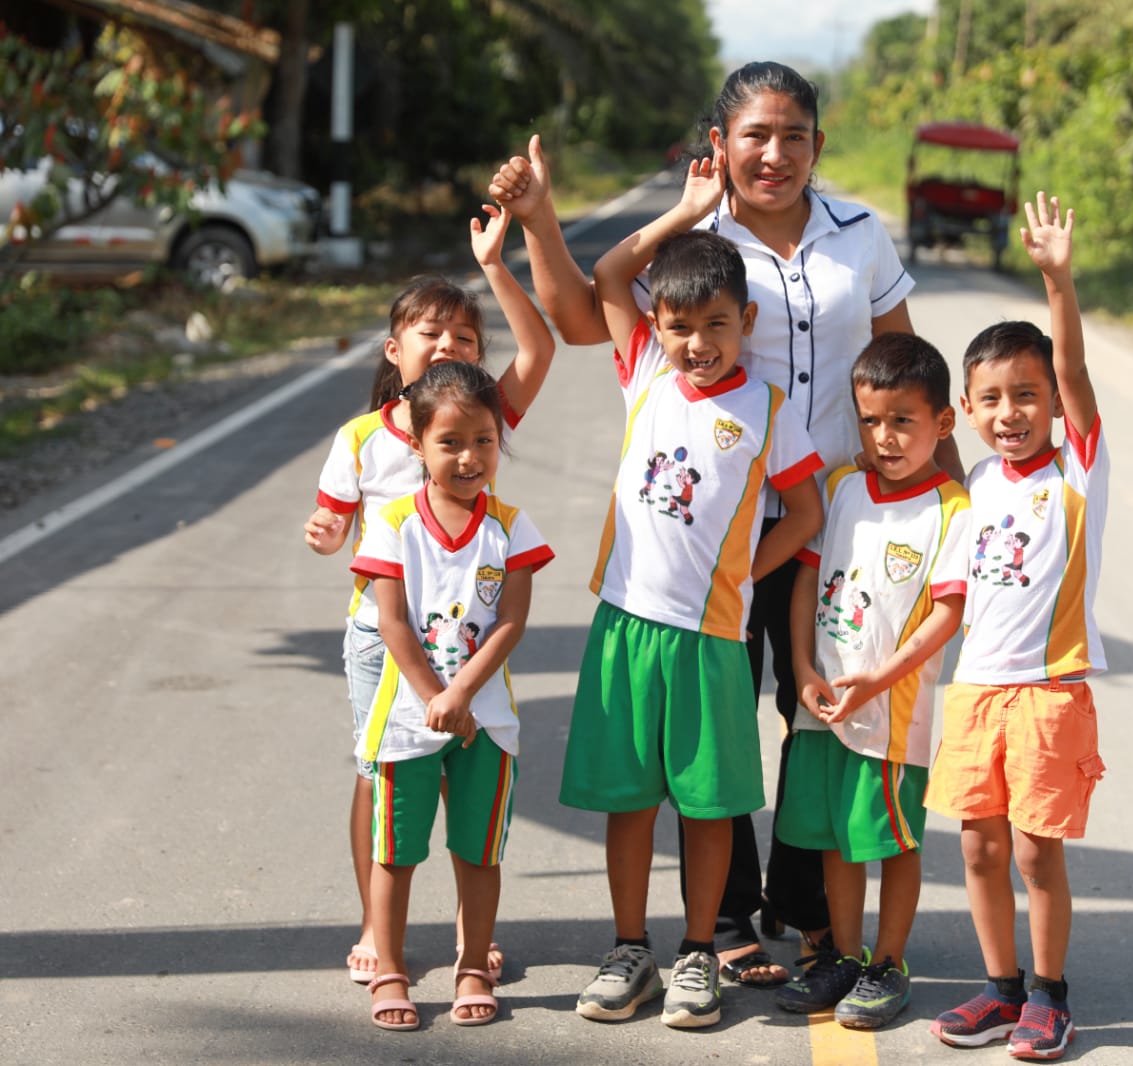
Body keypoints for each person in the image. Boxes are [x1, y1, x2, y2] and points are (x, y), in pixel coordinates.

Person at [490, 60, 956, 986]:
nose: (774, 154)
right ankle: (730, 918)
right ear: (721, 146)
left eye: (793, 136)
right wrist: (542, 220)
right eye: (755, 135)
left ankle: (806, 902)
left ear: (818, 147)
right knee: (723, 721)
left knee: (819, 714)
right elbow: (589, 318)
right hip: (707, 545)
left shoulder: (861, 238)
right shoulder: (692, 242)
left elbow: (906, 362)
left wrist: (957, 501)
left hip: (838, 523)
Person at [554, 155, 824, 1029]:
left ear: (747, 322)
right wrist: (685, 211)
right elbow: (608, 275)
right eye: (680, 326)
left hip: (710, 639)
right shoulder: (644, 372)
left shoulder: (770, 408)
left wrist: (747, 569)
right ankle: (630, 946)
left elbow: (807, 510)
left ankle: (699, 950)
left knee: (708, 806)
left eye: (716, 325)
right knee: (630, 802)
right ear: (658, 329)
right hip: (625, 625)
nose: (697, 343)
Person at [302, 204, 554, 985]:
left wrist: (496, 266)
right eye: (430, 334)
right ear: (393, 348)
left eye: (466, 337)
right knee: (381, 776)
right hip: (385, 637)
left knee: (470, 792)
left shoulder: (481, 416)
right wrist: (324, 529)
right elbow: (339, 521)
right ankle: (380, 933)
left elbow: (540, 346)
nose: (448, 345)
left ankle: (471, 947)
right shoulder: (363, 435)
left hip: (469, 639)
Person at [924, 195, 1107, 1061]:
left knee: (1037, 855)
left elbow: (1071, 370)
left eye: (1026, 396)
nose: (1012, 412)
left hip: (1047, 691)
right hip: (974, 694)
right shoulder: (975, 488)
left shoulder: (1076, 467)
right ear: (967, 408)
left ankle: (1049, 994)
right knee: (979, 848)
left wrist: (1056, 281)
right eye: (992, 399)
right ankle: (999, 990)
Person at [773, 333, 970, 1029]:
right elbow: (805, 581)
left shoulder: (952, 511)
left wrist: (876, 681)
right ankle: (845, 956)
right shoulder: (839, 486)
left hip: (891, 716)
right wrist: (801, 667)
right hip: (826, 704)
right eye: (871, 421)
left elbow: (944, 618)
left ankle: (889, 961)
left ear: (942, 424)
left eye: (903, 421)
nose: (884, 438)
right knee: (833, 838)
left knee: (891, 839)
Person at [349, 360, 554, 1029]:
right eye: (450, 442)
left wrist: (463, 693)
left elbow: (512, 622)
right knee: (395, 853)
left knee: (478, 851)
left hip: (486, 724)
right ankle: (390, 969)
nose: (469, 457)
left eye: (484, 440)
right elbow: (392, 622)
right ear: (417, 445)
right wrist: (435, 696)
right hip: (407, 722)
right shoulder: (394, 524)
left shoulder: (512, 526)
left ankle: (472, 965)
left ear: (500, 440)